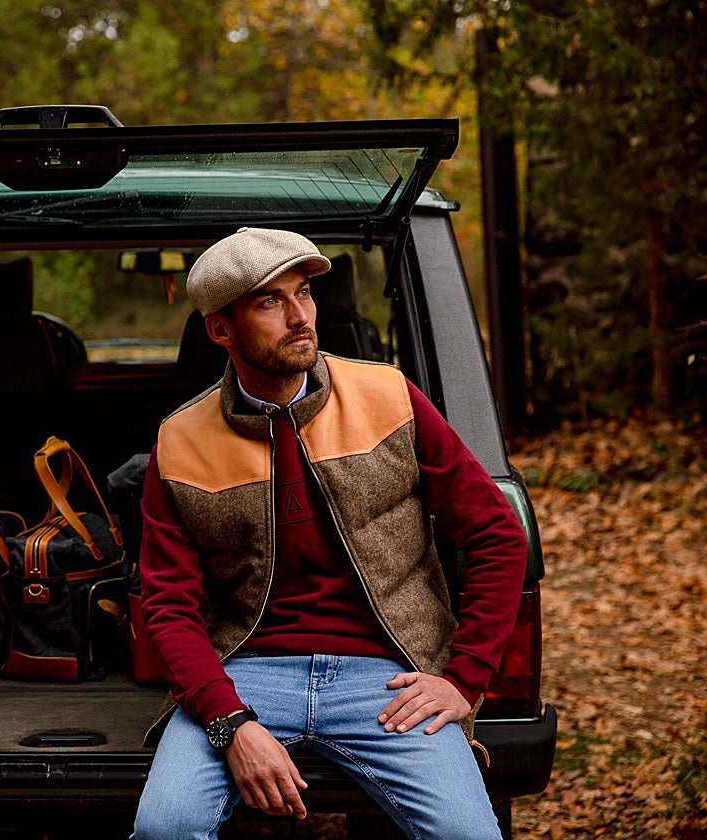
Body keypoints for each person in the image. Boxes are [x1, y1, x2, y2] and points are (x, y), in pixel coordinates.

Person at [131, 227, 527, 839]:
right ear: (221, 329)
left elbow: (498, 535)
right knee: (165, 828)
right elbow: (168, 608)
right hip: (246, 672)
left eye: (305, 293)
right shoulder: (180, 441)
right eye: (270, 302)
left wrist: (462, 679)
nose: (300, 317)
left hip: (390, 674)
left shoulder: (389, 397)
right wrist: (229, 722)